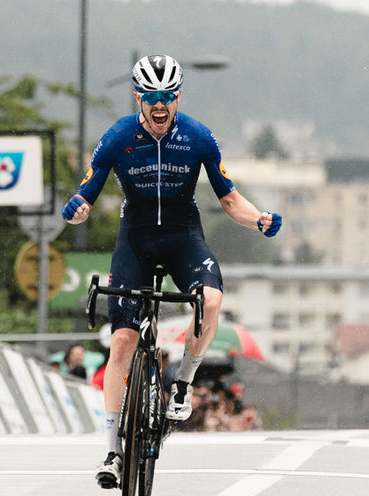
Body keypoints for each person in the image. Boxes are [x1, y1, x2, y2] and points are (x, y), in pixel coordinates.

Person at [61, 54, 281, 489]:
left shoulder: (198, 137)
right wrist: (77, 211)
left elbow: (230, 199)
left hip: (183, 238)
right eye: (151, 98)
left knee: (212, 300)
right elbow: (85, 196)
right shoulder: (118, 137)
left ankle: (181, 383)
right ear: (140, 98)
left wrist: (257, 218)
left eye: (167, 97)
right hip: (135, 242)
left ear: (177, 96)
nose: (159, 106)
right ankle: (111, 449)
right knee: (121, 342)